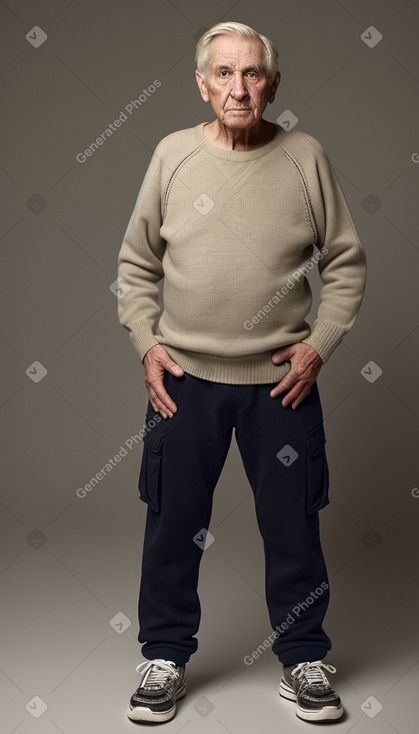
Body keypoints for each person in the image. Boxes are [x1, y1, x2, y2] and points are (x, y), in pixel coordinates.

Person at [117, 20, 367, 725]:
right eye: (222, 73)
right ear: (201, 84)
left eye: (252, 73)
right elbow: (136, 265)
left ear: (273, 83)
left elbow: (344, 262)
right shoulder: (171, 155)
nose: (238, 87)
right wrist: (146, 342)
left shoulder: (303, 156)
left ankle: (304, 659)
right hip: (185, 383)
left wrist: (319, 342)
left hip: (279, 387)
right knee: (173, 525)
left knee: (293, 526)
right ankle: (163, 655)